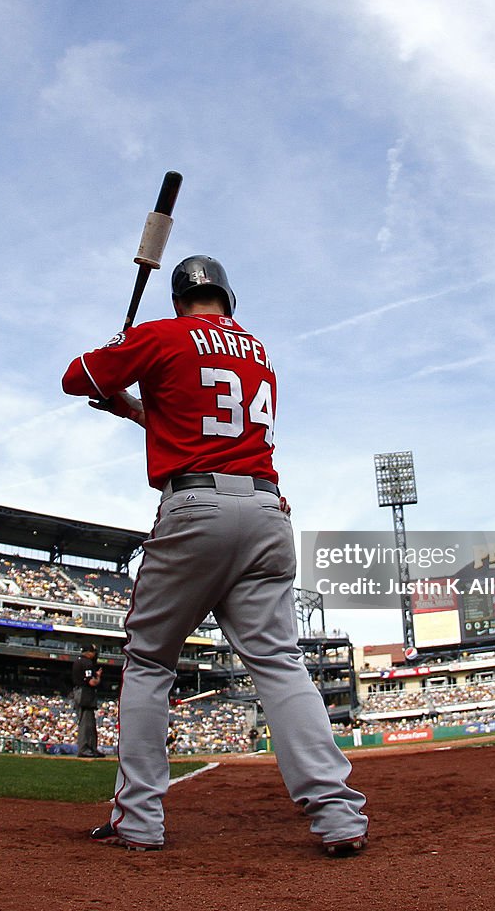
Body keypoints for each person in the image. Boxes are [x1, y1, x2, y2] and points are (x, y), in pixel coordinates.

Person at [62, 255, 368, 855]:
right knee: (280, 662)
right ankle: (338, 815)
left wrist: (118, 359)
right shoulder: (259, 354)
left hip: (194, 510)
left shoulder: (160, 334)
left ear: (178, 299)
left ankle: (140, 821)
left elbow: (76, 377)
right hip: (266, 510)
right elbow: (197, 423)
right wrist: (131, 406)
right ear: (230, 298)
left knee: (149, 662)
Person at [72, 645, 105, 757]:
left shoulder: (79, 661)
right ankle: (85, 749)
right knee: (86, 723)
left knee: (90, 723)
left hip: (80, 692)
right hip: (84, 693)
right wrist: (98, 677)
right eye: (94, 652)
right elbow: (92, 682)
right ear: (88, 652)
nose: (95, 654)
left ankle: (91, 748)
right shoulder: (86, 662)